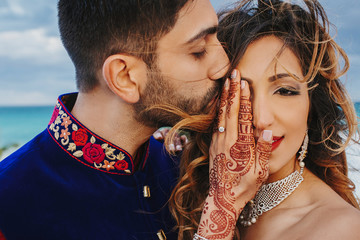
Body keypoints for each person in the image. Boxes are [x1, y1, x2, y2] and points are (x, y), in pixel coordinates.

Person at [0, 0, 229, 239]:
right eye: (199, 51)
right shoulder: (9, 208)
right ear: (125, 77)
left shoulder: (186, 165)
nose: (223, 64)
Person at [163, 0, 360, 239]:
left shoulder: (341, 229)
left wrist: (222, 204)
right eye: (240, 92)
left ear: (312, 108)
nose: (261, 119)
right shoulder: (186, 185)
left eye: (285, 91)